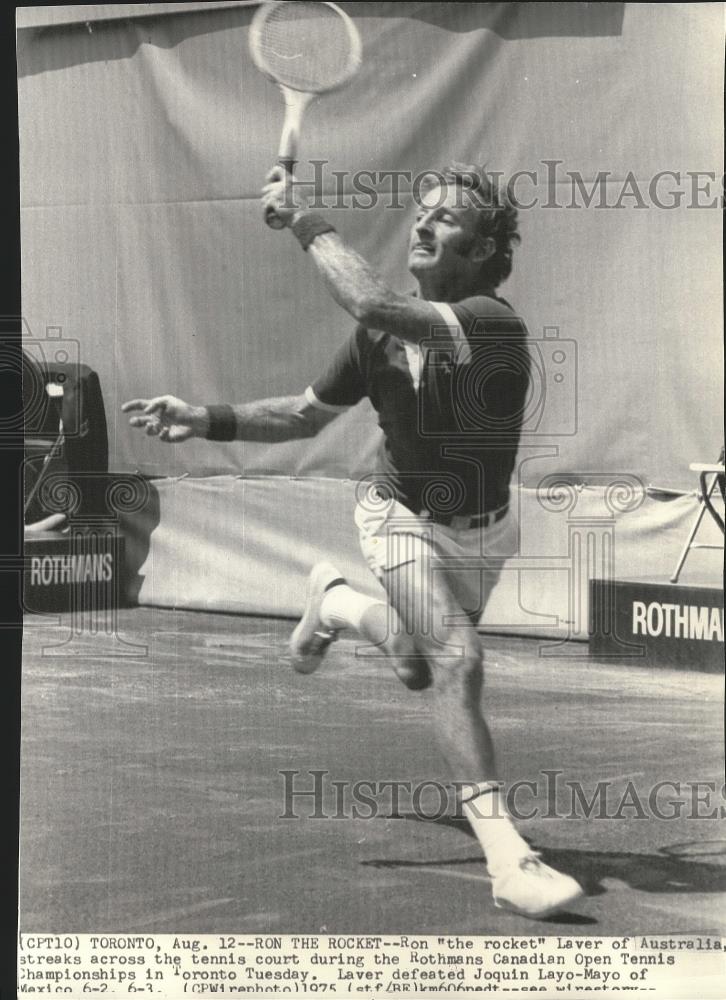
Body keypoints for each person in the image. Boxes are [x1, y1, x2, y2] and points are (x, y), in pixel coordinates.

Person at [123, 163, 583, 919]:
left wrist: (301, 219)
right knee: (457, 658)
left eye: (447, 218)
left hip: (487, 531)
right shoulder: (376, 339)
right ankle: (510, 860)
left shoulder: (491, 324)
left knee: (414, 663)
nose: (425, 224)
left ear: (483, 248)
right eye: (421, 213)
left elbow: (371, 296)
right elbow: (305, 416)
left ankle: (335, 600)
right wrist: (203, 417)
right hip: (395, 513)